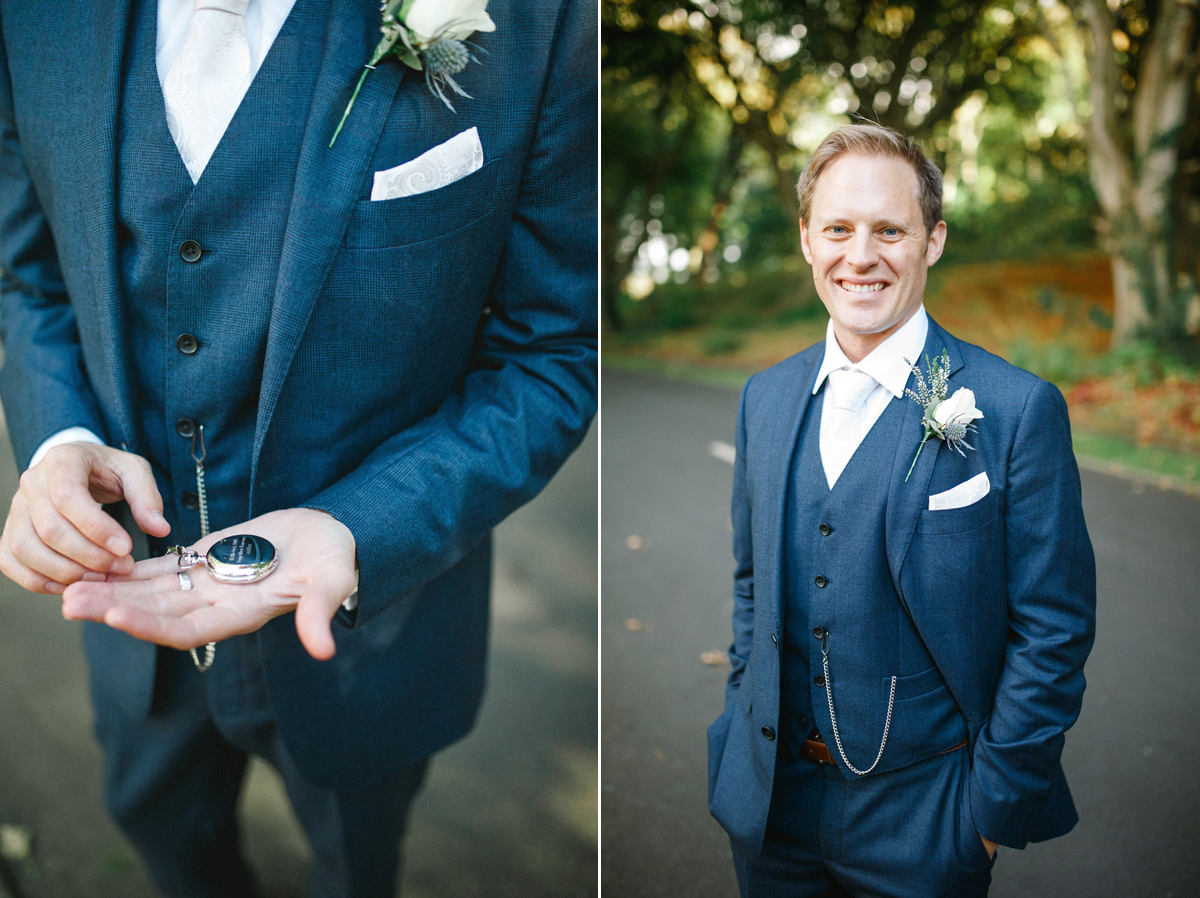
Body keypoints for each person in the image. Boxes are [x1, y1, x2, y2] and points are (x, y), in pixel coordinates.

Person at [0, 1, 596, 896]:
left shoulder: (545, 21)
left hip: (367, 638)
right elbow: (30, 278)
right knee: (167, 838)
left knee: (356, 869)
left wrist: (361, 529)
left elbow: (550, 354)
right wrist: (59, 438)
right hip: (128, 605)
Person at [706, 123, 1096, 897]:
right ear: (808, 242)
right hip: (771, 814)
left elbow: (1053, 631)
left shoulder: (1018, 411)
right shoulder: (764, 398)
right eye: (839, 229)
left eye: (890, 229)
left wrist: (984, 822)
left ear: (934, 240)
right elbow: (752, 586)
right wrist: (734, 737)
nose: (861, 256)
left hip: (931, 825)